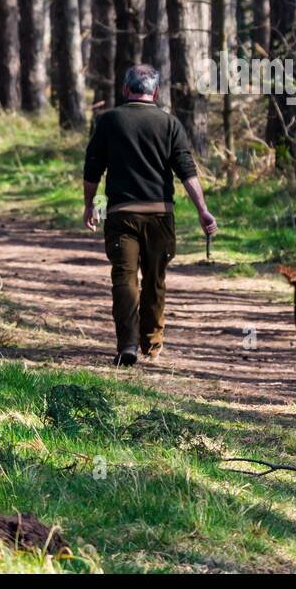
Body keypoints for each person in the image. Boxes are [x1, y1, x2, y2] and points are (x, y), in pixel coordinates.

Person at [83, 64, 217, 366]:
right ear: (155, 92)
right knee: (156, 280)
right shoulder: (169, 124)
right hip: (160, 215)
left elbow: (93, 168)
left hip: (121, 215)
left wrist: (89, 204)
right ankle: (152, 343)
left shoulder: (109, 121)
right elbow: (187, 171)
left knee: (124, 279)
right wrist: (203, 210)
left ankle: (127, 345)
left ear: (126, 89)